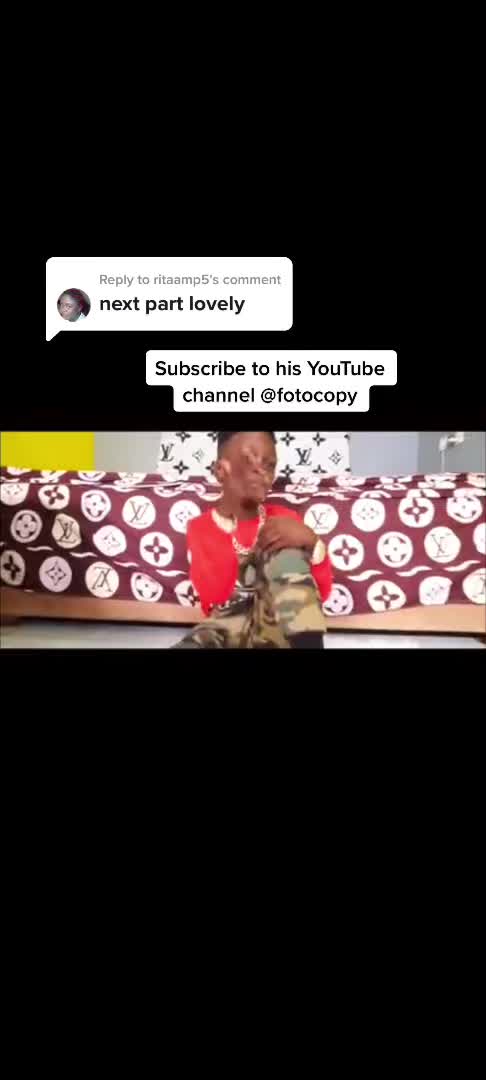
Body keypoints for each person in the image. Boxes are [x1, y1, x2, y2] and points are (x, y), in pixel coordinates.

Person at [174, 431, 333, 649]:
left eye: (270, 465)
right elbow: (213, 597)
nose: (262, 471)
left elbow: (318, 595)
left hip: (276, 624)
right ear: (221, 470)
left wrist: (313, 544)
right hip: (226, 625)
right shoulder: (200, 527)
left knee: (284, 548)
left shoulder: (285, 519)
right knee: (200, 637)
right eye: (250, 460)